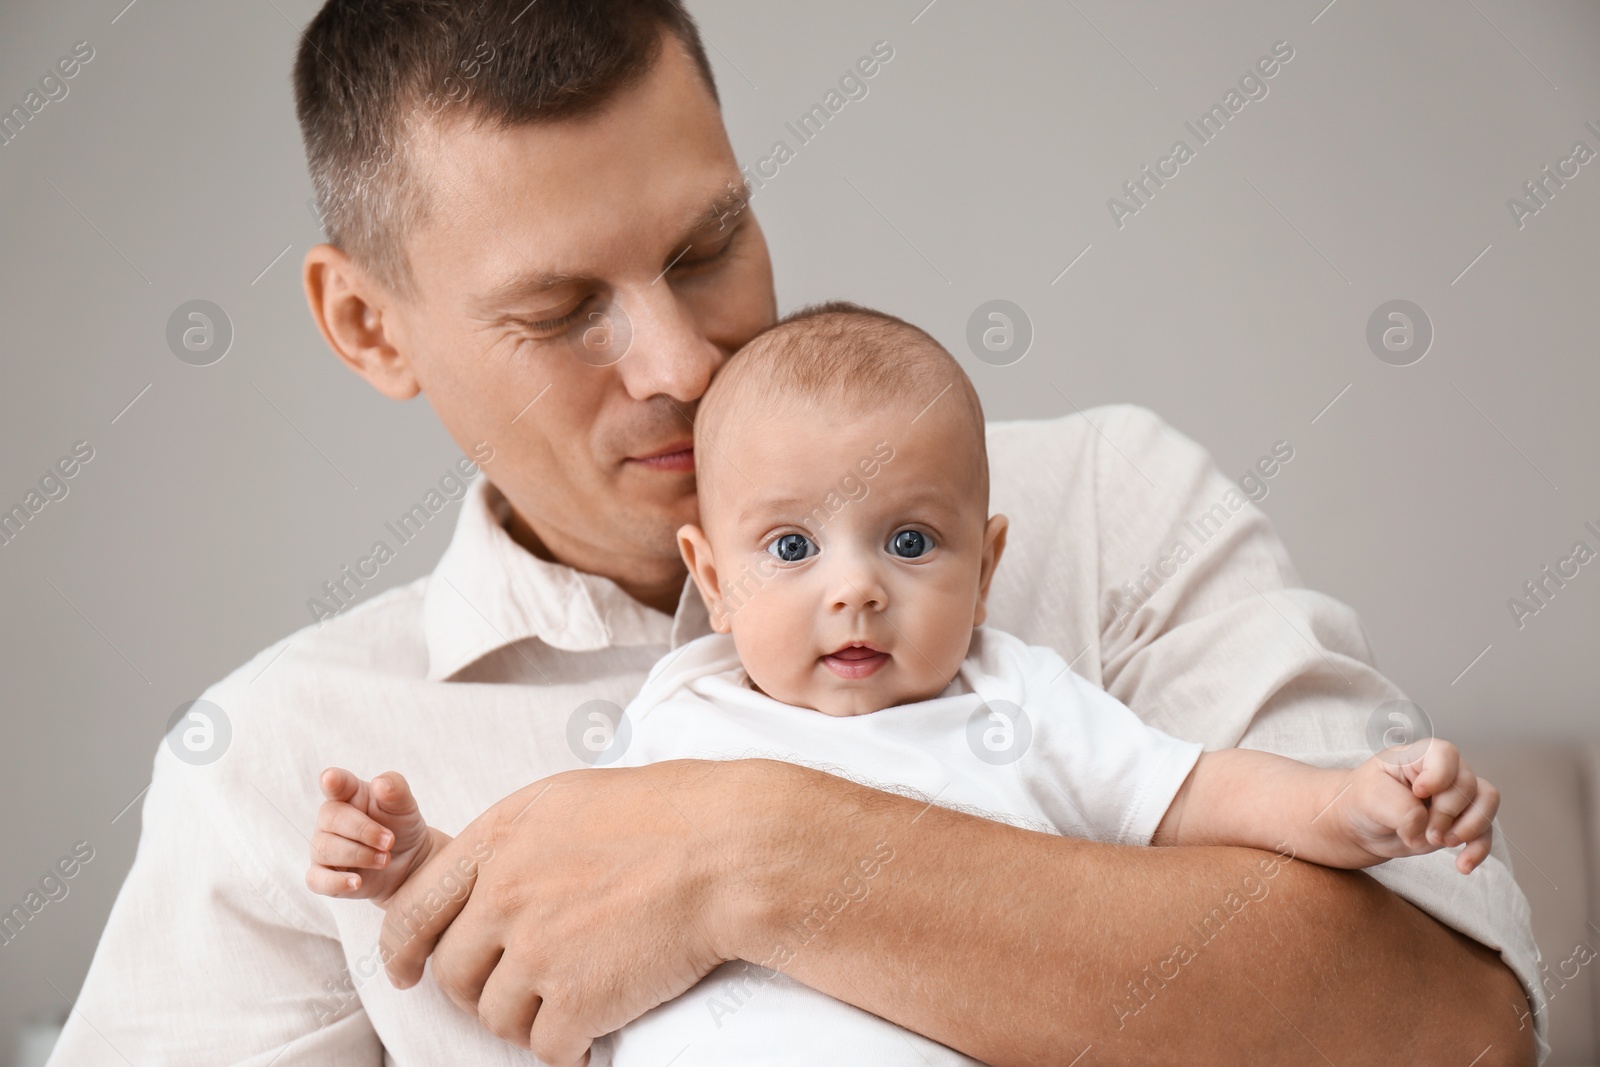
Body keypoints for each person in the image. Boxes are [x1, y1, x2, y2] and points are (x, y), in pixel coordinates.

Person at [49, 2, 1543, 1065]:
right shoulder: (273, 763)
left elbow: (1455, 1030)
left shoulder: (1116, 512)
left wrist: (751, 852)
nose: (684, 365)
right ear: (368, 323)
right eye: (566, 309)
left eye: (708, 247)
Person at [306, 306, 1504, 1066]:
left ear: (988, 565)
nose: (854, 591)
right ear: (709, 579)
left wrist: (1349, 804)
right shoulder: (679, 713)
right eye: (791, 549)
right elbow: (549, 904)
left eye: (910, 543)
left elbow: (1194, 790)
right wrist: (414, 860)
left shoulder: (1015, 699)